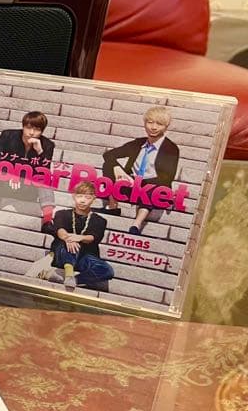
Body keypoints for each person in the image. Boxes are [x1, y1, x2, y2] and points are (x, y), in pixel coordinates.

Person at [0, 110, 56, 231]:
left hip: (26, 188)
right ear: (23, 126)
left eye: (37, 129)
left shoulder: (47, 145)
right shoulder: (7, 136)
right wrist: (11, 174)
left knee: (45, 179)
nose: (32, 133)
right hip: (3, 183)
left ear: (42, 131)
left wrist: (40, 151)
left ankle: (47, 221)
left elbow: (44, 171)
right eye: (29, 128)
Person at [101, 105, 180, 234]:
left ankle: (136, 224)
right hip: (130, 185)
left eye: (159, 124)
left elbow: (167, 177)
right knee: (108, 165)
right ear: (144, 123)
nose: (153, 127)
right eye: (150, 122)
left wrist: (139, 183)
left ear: (166, 127)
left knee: (155, 187)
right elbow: (108, 154)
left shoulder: (171, 149)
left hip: (153, 188)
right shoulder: (138, 143)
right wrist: (117, 169)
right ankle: (113, 206)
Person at [49, 181, 115, 290]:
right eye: (79, 196)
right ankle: (69, 274)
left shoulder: (99, 220)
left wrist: (80, 238)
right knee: (69, 245)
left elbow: (93, 237)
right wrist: (69, 239)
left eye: (87, 197)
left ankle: (75, 280)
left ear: (93, 199)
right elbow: (60, 230)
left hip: (85, 257)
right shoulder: (62, 214)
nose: (83, 200)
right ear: (73, 196)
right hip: (63, 255)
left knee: (107, 270)